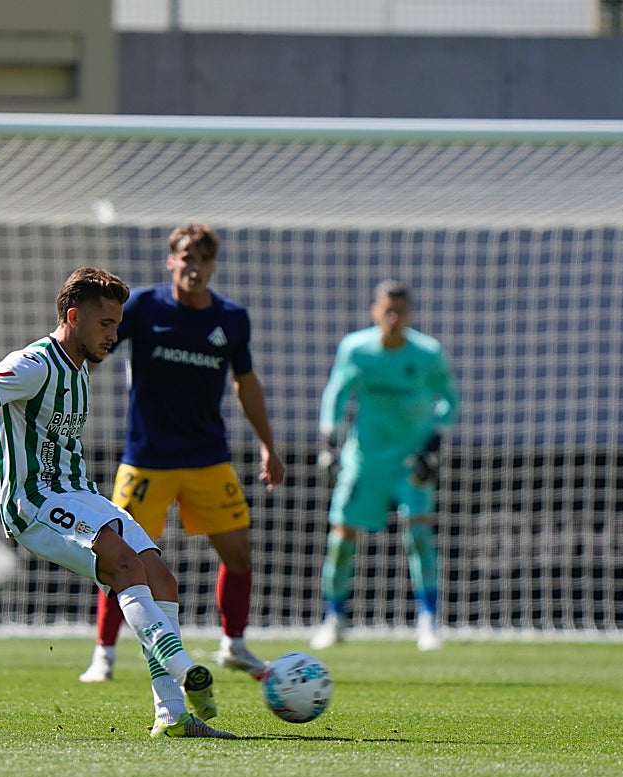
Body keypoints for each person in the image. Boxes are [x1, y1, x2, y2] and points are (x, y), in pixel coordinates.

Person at [0, 266, 235, 739]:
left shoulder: (79, 368)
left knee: (162, 578)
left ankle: (174, 716)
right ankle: (185, 669)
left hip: (83, 496)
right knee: (120, 562)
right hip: (35, 504)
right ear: (74, 317)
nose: (114, 335)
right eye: (105, 325)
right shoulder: (33, 364)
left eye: (118, 325)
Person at [77, 223, 284, 684]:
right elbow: (99, 344)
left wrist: (268, 446)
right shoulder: (146, 307)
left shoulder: (230, 318)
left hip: (208, 457)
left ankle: (234, 644)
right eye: (186, 258)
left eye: (204, 259)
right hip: (146, 458)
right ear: (172, 261)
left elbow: (244, 383)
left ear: (213, 265)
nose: (195, 267)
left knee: (238, 553)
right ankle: (104, 654)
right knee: (118, 556)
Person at [311, 280, 459, 652]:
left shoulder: (428, 353)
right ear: (375, 311)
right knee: (341, 540)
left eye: (400, 310)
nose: (392, 317)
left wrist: (433, 444)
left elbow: (450, 400)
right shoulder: (357, 349)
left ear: (409, 314)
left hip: (410, 461)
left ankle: (428, 621)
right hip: (365, 460)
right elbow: (336, 394)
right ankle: (334, 618)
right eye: (386, 309)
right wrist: (330, 442)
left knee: (419, 536)